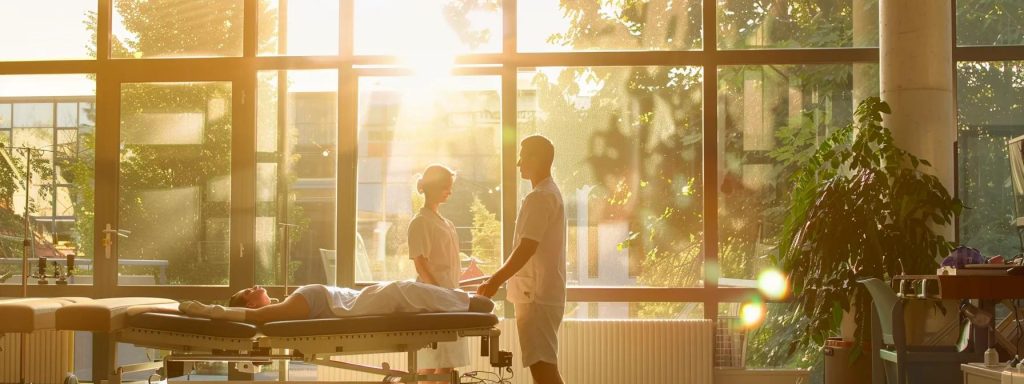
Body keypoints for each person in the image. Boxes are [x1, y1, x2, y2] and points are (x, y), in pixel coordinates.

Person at [477, 135, 565, 384]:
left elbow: (527, 247)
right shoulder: (550, 193)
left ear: (536, 159)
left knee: (543, 370)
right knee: (544, 368)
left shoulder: (540, 197)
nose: (518, 164)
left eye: (523, 156)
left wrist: (495, 281)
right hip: (540, 294)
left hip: (535, 296)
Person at [176, 281, 494, 325]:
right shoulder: (275, 313)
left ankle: (464, 301)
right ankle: (467, 302)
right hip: (353, 307)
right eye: (248, 291)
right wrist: (201, 309)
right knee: (402, 290)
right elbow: (249, 318)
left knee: (405, 291)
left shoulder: (286, 304)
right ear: (252, 305)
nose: (254, 286)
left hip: (354, 300)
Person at [407, 164, 469, 381]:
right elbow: (421, 264)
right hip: (434, 300)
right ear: (433, 187)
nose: (450, 192)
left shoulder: (446, 223)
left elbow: (449, 263)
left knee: (445, 361)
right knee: (434, 362)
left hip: (448, 297)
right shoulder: (420, 222)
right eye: (446, 187)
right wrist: (440, 295)